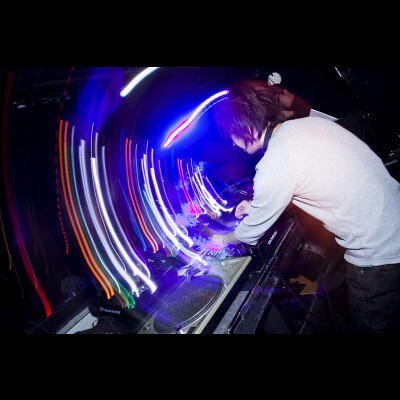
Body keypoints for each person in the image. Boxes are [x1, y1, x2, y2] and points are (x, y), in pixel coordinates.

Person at [210, 79, 400, 334]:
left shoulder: (275, 162)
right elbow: (318, 174)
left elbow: (250, 233)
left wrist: (221, 240)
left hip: (379, 256)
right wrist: (257, 204)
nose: (234, 143)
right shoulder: (307, 125)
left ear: (242, 126)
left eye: (231, 136)